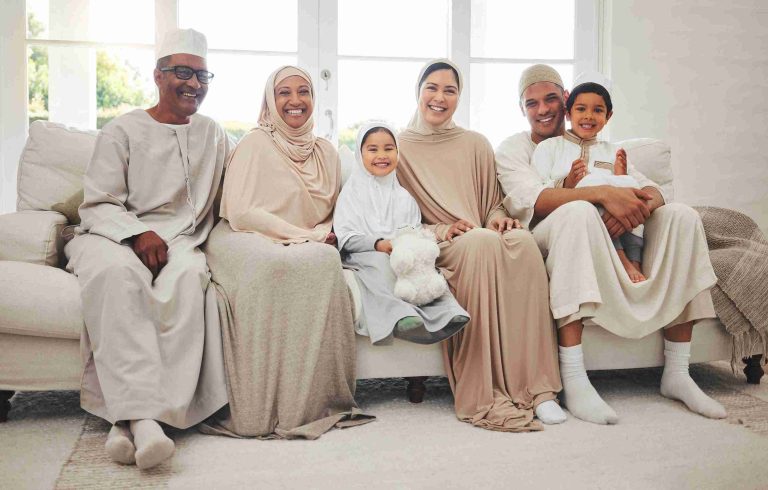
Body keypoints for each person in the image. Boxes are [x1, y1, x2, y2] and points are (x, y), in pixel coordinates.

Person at [495, 64, 726, 424]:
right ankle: (574, 378)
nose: (543, 109)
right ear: (522, 109)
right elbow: (533, 199)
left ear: (566, 101)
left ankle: (678, 372)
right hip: (546, 234)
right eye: (532, 103)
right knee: (578, 212)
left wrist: (631, 210)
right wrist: (601, 194)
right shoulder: (516, 148)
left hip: (609, 232)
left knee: (683, 216)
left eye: (551, 99)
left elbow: (653, 190)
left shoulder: (606, 149)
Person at [64, 28, 229, 469]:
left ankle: (130, 423)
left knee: (190, 280)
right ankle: (146, 421)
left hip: (182, 242)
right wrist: (136, 233)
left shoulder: (214, 134)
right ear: (158, 76)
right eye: (181, 72)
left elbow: (240, 192)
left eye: (202, 75)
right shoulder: (123, 129)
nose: (193, 84)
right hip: (112, 236)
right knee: (117, 277)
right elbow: (97, 203)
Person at [201, 65, 373, 439]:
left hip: (304, 238)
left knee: (323, 260)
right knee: (271, 265)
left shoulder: (326, 153)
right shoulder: (255, 143)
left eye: (303, 92)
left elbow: (336, 212)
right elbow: (242, 210)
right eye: (284, 93)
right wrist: (299, 235)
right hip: (243, 235)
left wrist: (320, 235)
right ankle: (256, 409)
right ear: (269, 100)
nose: (295, 101)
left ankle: (309, 404)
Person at [396, 59, 565, 431]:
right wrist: (443, 230)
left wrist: (497, 219)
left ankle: (541, 390)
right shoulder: (398, 146)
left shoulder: (474, 143)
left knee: (522, 241)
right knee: (482, 246)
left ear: (459, 97)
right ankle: (488, 389)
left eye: (450, 90)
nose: (440, 98)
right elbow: (398, 216)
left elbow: (491, 203)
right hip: (443, 242)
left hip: (481, 232)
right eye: (432, 88)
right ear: (418, 93)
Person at [333, 120, 469, 345]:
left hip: (401, 251)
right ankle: (400, 316)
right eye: (373, 149)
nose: (382, 155)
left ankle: (448, 312)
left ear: (397, 152)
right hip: (367, 253)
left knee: (426, 269)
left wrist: (416, 246)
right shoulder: (351, 194)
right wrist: (379, 244)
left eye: (389, 148)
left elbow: (413, 230)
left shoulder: (403, 197)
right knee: (383, 266)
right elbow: (346, 237)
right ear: (360, 154)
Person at [531, 80, 646, 283]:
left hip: (617, 218)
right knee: (590, 187)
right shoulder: (549, 148)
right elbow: (537, 192)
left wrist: (621, 177)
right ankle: (622, 260)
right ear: (568, 114)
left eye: (598, 110)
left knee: (630, 186)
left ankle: (635, 261)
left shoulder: (613, 152)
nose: (588, 116)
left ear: (608, 116)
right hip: (568, 220)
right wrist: (568, 183)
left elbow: (642, 191)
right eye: (581, 109)